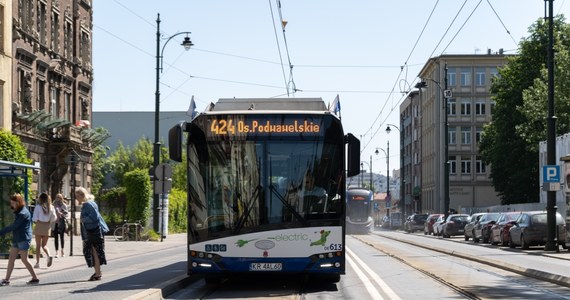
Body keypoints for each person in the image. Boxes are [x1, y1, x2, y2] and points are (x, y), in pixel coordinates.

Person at [0, 194, 40, 285]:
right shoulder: (20, 211)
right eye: (11, 203)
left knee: (24, 259)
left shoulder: (23, 213)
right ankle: (6, 279)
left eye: (13, 203)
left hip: (23, 238)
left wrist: (1, 232)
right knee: (11, 258)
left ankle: (35, 278)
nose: (11, 205)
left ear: (18, 202)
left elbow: (14, 226)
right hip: (18, 238)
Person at [76, 186, 109, 281]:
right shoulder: (92, 203)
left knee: (93, 252)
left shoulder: (87, 204)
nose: (76, 198)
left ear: (82, 195)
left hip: (92, 232)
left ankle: (98, 273)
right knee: (95, 252)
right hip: (95, 231)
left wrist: (83, 220)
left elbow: (94, 217)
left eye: (77, 196)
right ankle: (98, 272)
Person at [32, 192, 57, 268]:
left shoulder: (38, 207)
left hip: (39, 225)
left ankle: (37, 263)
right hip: (47, 226)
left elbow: (34, 218)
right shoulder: (51, 207)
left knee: (38, 246)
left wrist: (37, 221)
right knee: (44, 245)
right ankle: (49, 255)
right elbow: (54, 218)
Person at [53, 193, 68, 258]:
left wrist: (61, 213)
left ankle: (62, 250)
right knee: (56, 237)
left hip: (61, 222)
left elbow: (67, 214)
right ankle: (56, 252)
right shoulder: (54, 205)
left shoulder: (64, 205)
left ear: (61, 198)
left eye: (59, 198)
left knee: (62, 237)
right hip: (55, 222)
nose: (58, 199)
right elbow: (52, 213)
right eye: (57, 197)